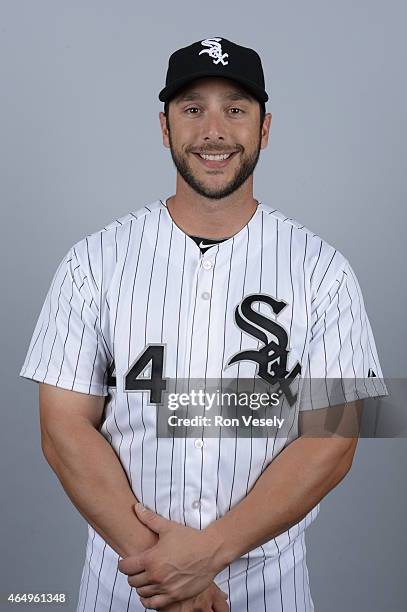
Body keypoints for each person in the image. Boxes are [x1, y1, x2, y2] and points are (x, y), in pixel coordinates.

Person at [19, 36, 388, 611]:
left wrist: (207, 553)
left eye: (235, 108)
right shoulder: (91, 261)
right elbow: (61, 428)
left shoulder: (324, 270)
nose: (213, 130)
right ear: (165, 128)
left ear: (265, 129)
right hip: (127, 584)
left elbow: (334, 439)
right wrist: (165, 571)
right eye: (192, 109)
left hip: (271, 586)